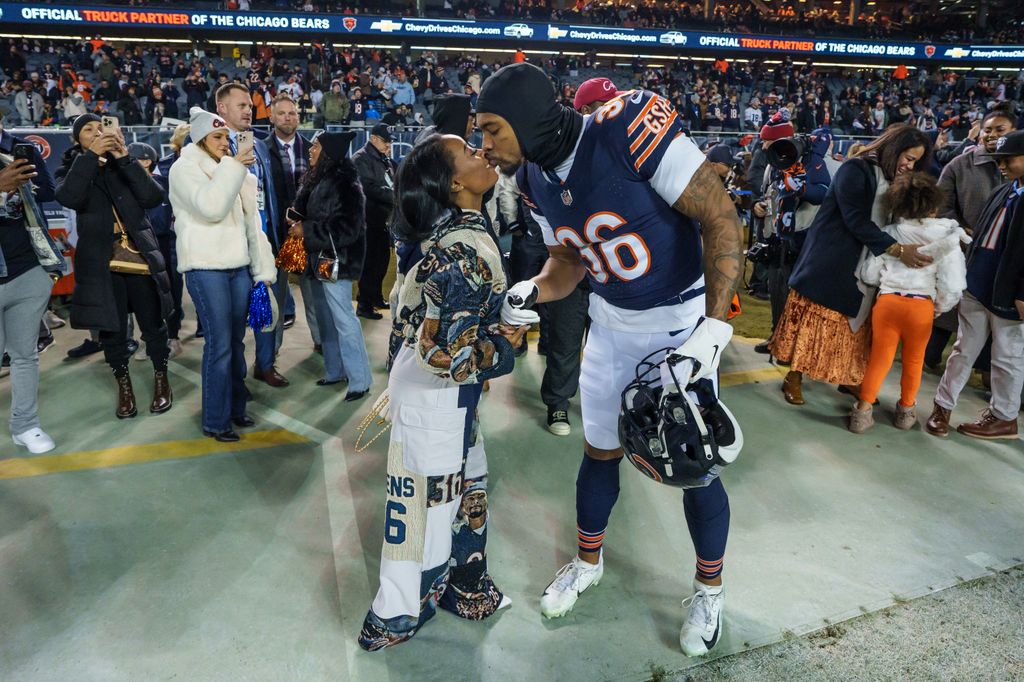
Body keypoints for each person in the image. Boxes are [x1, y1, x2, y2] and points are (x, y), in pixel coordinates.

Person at [476, 63, 743, 657]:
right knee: (599, 448)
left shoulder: (624, 128)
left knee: (693, 463)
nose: (485, 144)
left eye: (493, 129)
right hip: (610, 324)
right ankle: (587, 561)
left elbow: (720, 217)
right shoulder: (537, 180)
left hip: (678, 322)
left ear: (525, 118)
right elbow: (568, 263)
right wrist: (532, 290)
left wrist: (713, 329)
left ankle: (709, 587)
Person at [359, 133, 526, 651]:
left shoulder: (459, 230)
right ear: (456, 184)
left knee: (462, 491)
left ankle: (464, 587)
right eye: (471, 153)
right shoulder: (460, 249)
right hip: (438, 393)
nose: (484, 152)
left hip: (445, 396)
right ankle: (396, 617)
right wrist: (508, 343)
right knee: (421, 516)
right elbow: (450, 358)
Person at [769, 124, 935, 405]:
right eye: (908, 158)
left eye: (915, 162)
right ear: (893, 149)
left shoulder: (893, 178)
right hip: (830, 261)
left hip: (868, 262)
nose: (909, 165)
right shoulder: (855, 169)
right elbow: (855, 219)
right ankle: (794, 376)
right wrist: (897, 249)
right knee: (814, 321)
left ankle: (849, 378)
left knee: (856, 327)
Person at [55, 114, 174, 419]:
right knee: (113, 330)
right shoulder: (72, 169)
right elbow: (69, 196)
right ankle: (124, 385)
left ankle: (162, 379)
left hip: (138, 257)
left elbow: (152, 196)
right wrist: (92, 156)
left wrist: (123, 157)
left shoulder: (125, 162)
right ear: (77, 140)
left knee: (153, 325)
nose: (97, 132)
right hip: (102, 263)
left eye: (102, 127)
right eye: (88, 131)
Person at [169, 107, 276, 442]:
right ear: (200, 138)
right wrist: (234, 168)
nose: (224, 142)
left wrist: (262, 269)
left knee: (235, 342)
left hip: (238, 266)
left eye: (226, 137)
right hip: (205, 268)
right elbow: (211, 208)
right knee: (219, 345)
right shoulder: (183, 168)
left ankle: (235, 406)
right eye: (217, 137)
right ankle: (216, 420)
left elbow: (250, 224)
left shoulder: (230, 170)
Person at [849, 172, 968, 433]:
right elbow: (952, 284)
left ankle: (862, 411)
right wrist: (939, 307)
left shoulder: (890, 233)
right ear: (934, 204)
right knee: (914, 361)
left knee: (879, 358)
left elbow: (869, 272)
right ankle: (905, 411)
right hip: (921, 306)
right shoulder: (946, 237)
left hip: (888, 302)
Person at [925, 130, 1024, 440]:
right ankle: (942, 407)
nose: (1002, 165)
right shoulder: (1005, 190)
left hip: (1009, 293)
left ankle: (1004, 417)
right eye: (999, 159)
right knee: (962, 351)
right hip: (978, 284)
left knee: (1007, 357)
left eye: (1008, 159)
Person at [927, 108, 1016, 370]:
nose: (992, 135)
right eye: (988, 129)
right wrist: (959, 230)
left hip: (1004, 258)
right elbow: (941, 205)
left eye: (1000, 130)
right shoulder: (960, 165)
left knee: (993, 313)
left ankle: (985, 370)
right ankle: (931, 357)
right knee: (948, 310)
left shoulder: (1019, 168)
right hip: (963, 252)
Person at [289, 131, 372, 401]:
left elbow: (349, 228)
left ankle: (360, 380)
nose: (310, 150)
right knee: (327, 319)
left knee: (344, 320)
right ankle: (336, 370)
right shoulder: (318, 178)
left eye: (315, 146)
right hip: (320, 261)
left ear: (328, 152)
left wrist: (308, 230)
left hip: (338, 262)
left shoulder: (345, 182)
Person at [215, 83, 286, 388]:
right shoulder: (212, 144)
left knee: (267, 308)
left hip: (263, 238)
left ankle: (266, 364)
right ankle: (236, 377)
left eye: (250, 105)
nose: (249, 110)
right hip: (232, 245)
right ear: (222, 109)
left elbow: (266, 191)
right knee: (234, 320)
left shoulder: (257, 144)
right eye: (241, 105)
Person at [0, 123, 65, 453]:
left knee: (25, 356)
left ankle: (25, 425)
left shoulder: (19, 145)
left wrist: (29, 180)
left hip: (27, 268)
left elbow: (49, 193)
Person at [353, 122, 396, 320]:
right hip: (368, 219)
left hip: (381, 219)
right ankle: (364, 304)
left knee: (382, 261)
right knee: (369, 263)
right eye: (385, 141)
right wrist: (395, 196)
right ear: (373, 139)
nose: (388, 146)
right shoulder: (361, 158)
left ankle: (376, 297)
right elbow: (369, 188)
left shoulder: (382, 158)